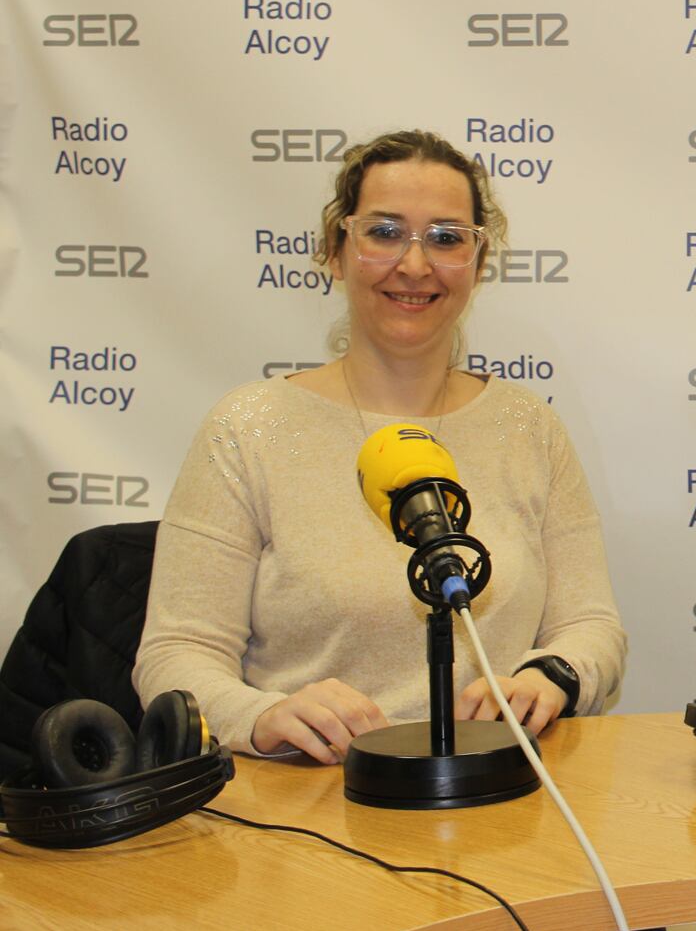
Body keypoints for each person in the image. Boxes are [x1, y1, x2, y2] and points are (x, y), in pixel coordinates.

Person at [134, 130, 626, 763]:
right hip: (306, 805)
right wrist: (265, 716)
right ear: (336, 251)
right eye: (385, 232)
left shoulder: (530, 429)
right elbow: (174, 656)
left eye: (447, 238)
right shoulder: (247, 428)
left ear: (479, 264)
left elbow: (592, 627)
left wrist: (550, 676)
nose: (415, 265)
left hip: (501, 796)